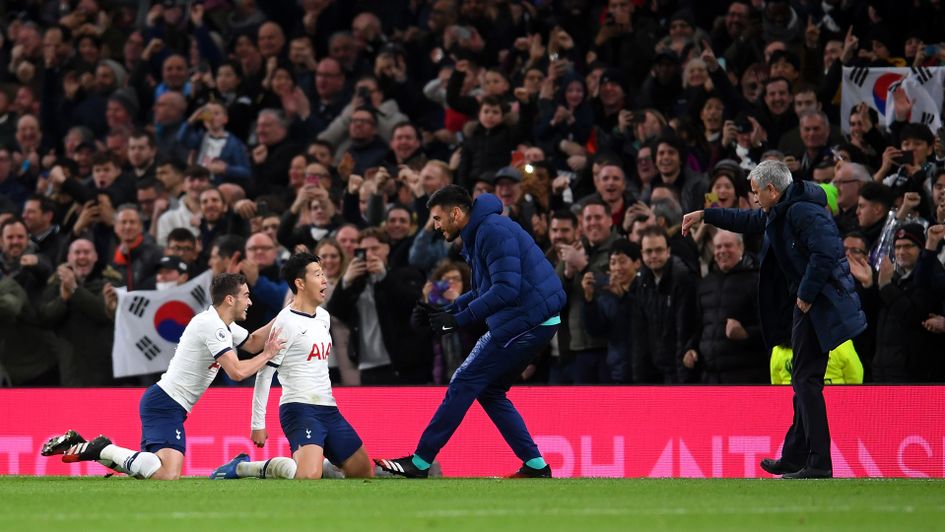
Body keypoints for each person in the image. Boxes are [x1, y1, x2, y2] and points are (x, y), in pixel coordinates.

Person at [682, 160, 867, 479]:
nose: (752, 198)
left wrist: (806, 295)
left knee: (806, 381)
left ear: (771, 189)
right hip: (810, 304)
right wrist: (705, 214)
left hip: (818, 305)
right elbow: (747, 220)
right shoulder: (783, 209)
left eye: (755, 192)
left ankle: (819, 461)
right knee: (803, 380)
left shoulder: (803, 211)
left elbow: (826, 253)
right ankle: (796, 456)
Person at [374, 186, 565, 478]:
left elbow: (506, 290)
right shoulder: (481, 232)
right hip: (532, 317)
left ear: (456, 213)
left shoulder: (492, 232)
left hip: (528, 319)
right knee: (490, 391)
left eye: (438, 219)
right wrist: (447, 310)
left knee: (464, 380)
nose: (436, 226)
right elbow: (484, 289)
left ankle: (421, 462)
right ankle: (536, 466)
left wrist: (460, 320)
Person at [41, 273, 285, 480]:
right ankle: (103, 447)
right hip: (165, 404)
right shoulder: (213, 326)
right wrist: (270, 353)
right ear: (230, 299)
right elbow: (238, 371)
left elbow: (253, 343)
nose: (250, 302)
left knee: (152, 469)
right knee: (168, 473)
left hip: (166, 403)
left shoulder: (222, 325)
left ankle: (85, 446)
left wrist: (287, 315)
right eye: (246, 296)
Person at [209, 253, 373, 480]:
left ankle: (325, 465)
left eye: (323, 273)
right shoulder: (287, 321)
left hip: (329, 408)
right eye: (317, 274)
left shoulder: (323, 317)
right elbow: (265, 373)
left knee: (363, 471)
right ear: (300, 283)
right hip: (299, 409)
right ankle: (243, 468)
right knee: (307, 477)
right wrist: (258, 423)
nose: (324, 279)